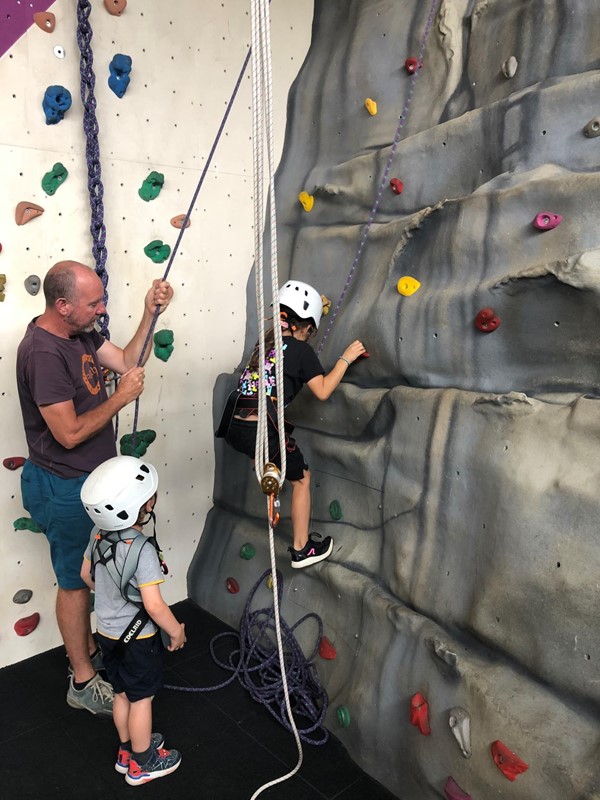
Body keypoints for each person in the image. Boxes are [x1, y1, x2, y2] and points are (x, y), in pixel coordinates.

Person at [16, 260, 173, 716]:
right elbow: (67, 435)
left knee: (92, 572)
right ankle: (82, 683)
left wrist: (148, 311)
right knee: (75, 582)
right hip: (63, 485)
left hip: (92, 481)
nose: (101, 310)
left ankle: (92, 654)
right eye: (94, 303)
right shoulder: (43, 353)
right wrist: (120, 398)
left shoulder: (79, 333)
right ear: (62, 306)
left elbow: (126, 360)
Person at [222, 280, 365, 568]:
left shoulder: (265, 345)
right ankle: (302, 549)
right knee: (302, 478)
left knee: (272, 452)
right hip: (260, 430)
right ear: (307, 327)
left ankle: (267, 476)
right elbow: (323, 390)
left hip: (236, 426)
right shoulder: (301, 351)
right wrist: (346, 359)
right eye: (312, 330)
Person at [80, 455, 185, 786]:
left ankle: (127, 752)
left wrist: (113, 595)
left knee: (122, 693)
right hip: (138, 639)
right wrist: (176, 631)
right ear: (142, 504)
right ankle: (143, 762)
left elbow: (87, 576)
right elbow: (153, 606)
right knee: (142, 699)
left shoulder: (98, 535)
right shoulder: (142, 550)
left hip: (106, 633)